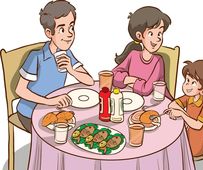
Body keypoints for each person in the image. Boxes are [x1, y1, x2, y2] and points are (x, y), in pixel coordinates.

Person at [15, 0, 94, 133]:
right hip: (29, 111)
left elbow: (89, 81)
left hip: (53, 107)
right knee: (62, 133)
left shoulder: (66, 54)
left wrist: (71, 69)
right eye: (62, 29)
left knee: (81, 124)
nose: (69, 34)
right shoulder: (36, 57)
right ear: (49, 33)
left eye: (72, 27)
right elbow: (20, 90)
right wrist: (49, 101)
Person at [112, 6, 172, 98]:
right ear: (139, 35)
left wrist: (129, 81)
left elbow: (146, 90)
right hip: (136, 99)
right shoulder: (133, 55)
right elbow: (113, 75)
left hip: (159, 101)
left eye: (159, 33)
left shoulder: (158, 61)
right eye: (151, 33)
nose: (157, 38)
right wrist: (132, 79)